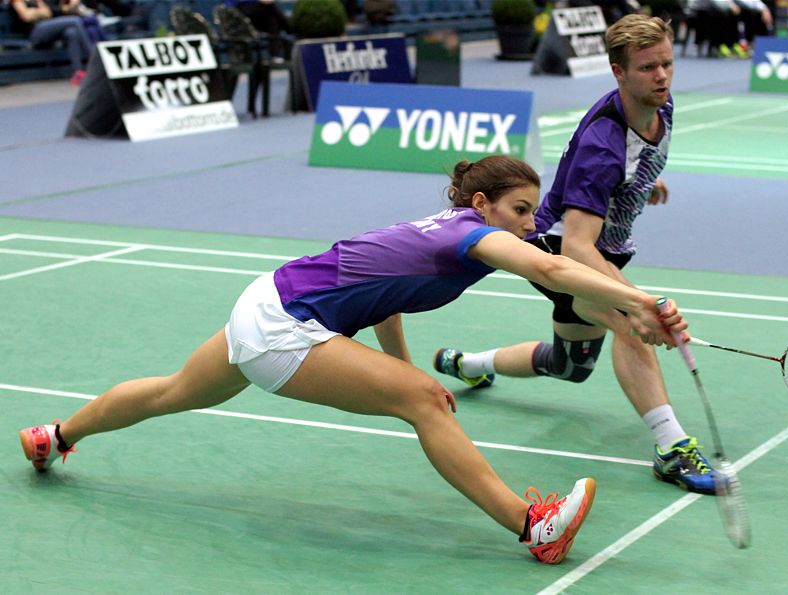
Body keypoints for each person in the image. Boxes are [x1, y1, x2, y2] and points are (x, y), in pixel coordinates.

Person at [18, 155, 688, 564]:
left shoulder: (435, 232)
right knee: (421, 403)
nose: (526, 221)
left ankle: (55, 435)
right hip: (282, 325)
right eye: (518, 209)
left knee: (170, 392)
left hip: (267, 298)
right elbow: (553, 264)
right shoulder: (469, 236)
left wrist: (632, 316)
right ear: (480, 205)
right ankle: (531, 524)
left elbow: (382, 301)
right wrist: (645, 300)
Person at [433, 16, 721, 496]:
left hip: (606, 247)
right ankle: (671, 448)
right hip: (558, 248)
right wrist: (637, 302)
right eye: (648, 67)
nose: (662, 76)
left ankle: (471, 363)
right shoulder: (601, 149)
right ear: (617, 71)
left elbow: (633, 161)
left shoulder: (660, 106)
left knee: (571, 365)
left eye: (667, 64)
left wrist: (641, 182)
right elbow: (577, 246)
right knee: (632, 326)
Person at [10, 0, 97, 84]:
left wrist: (34, 12)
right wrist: (40, 12)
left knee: (71, 33)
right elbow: (26, 16)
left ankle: (78, 72)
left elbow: (48, 13)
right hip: (34, 32)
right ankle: (93, 56)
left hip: (47, 28)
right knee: (75, 20)